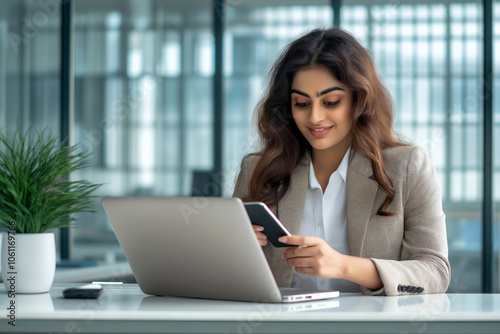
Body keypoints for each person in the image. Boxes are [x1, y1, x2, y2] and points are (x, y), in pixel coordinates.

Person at [232, 27, 450, 296]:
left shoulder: (407, 166)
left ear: (359, 100)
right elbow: (231, 276)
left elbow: (435, 272)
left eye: (331, 102)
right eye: (301, 103)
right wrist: (231, 253)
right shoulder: (258, 169)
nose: (315, 117)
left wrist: (344, 266)